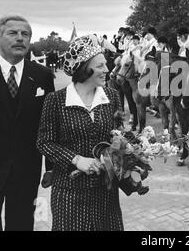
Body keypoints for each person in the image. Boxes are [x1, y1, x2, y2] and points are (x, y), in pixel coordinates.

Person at [0, 15, 55, 230]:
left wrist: (52, 167)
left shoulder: (42, 75)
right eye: (13, 33)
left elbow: (50, 124)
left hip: (26, 169)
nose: (20, 39)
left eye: (25, 34)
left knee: (22, 223)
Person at [37, 35, 124, 231]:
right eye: (101, 65)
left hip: (105, 192)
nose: (107, 70)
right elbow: (44, 142)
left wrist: (125, 154)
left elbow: (119, 135)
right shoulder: (56, 100)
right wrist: (76, 160)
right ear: (85, 68)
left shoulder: (112, 96)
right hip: (69, 192)